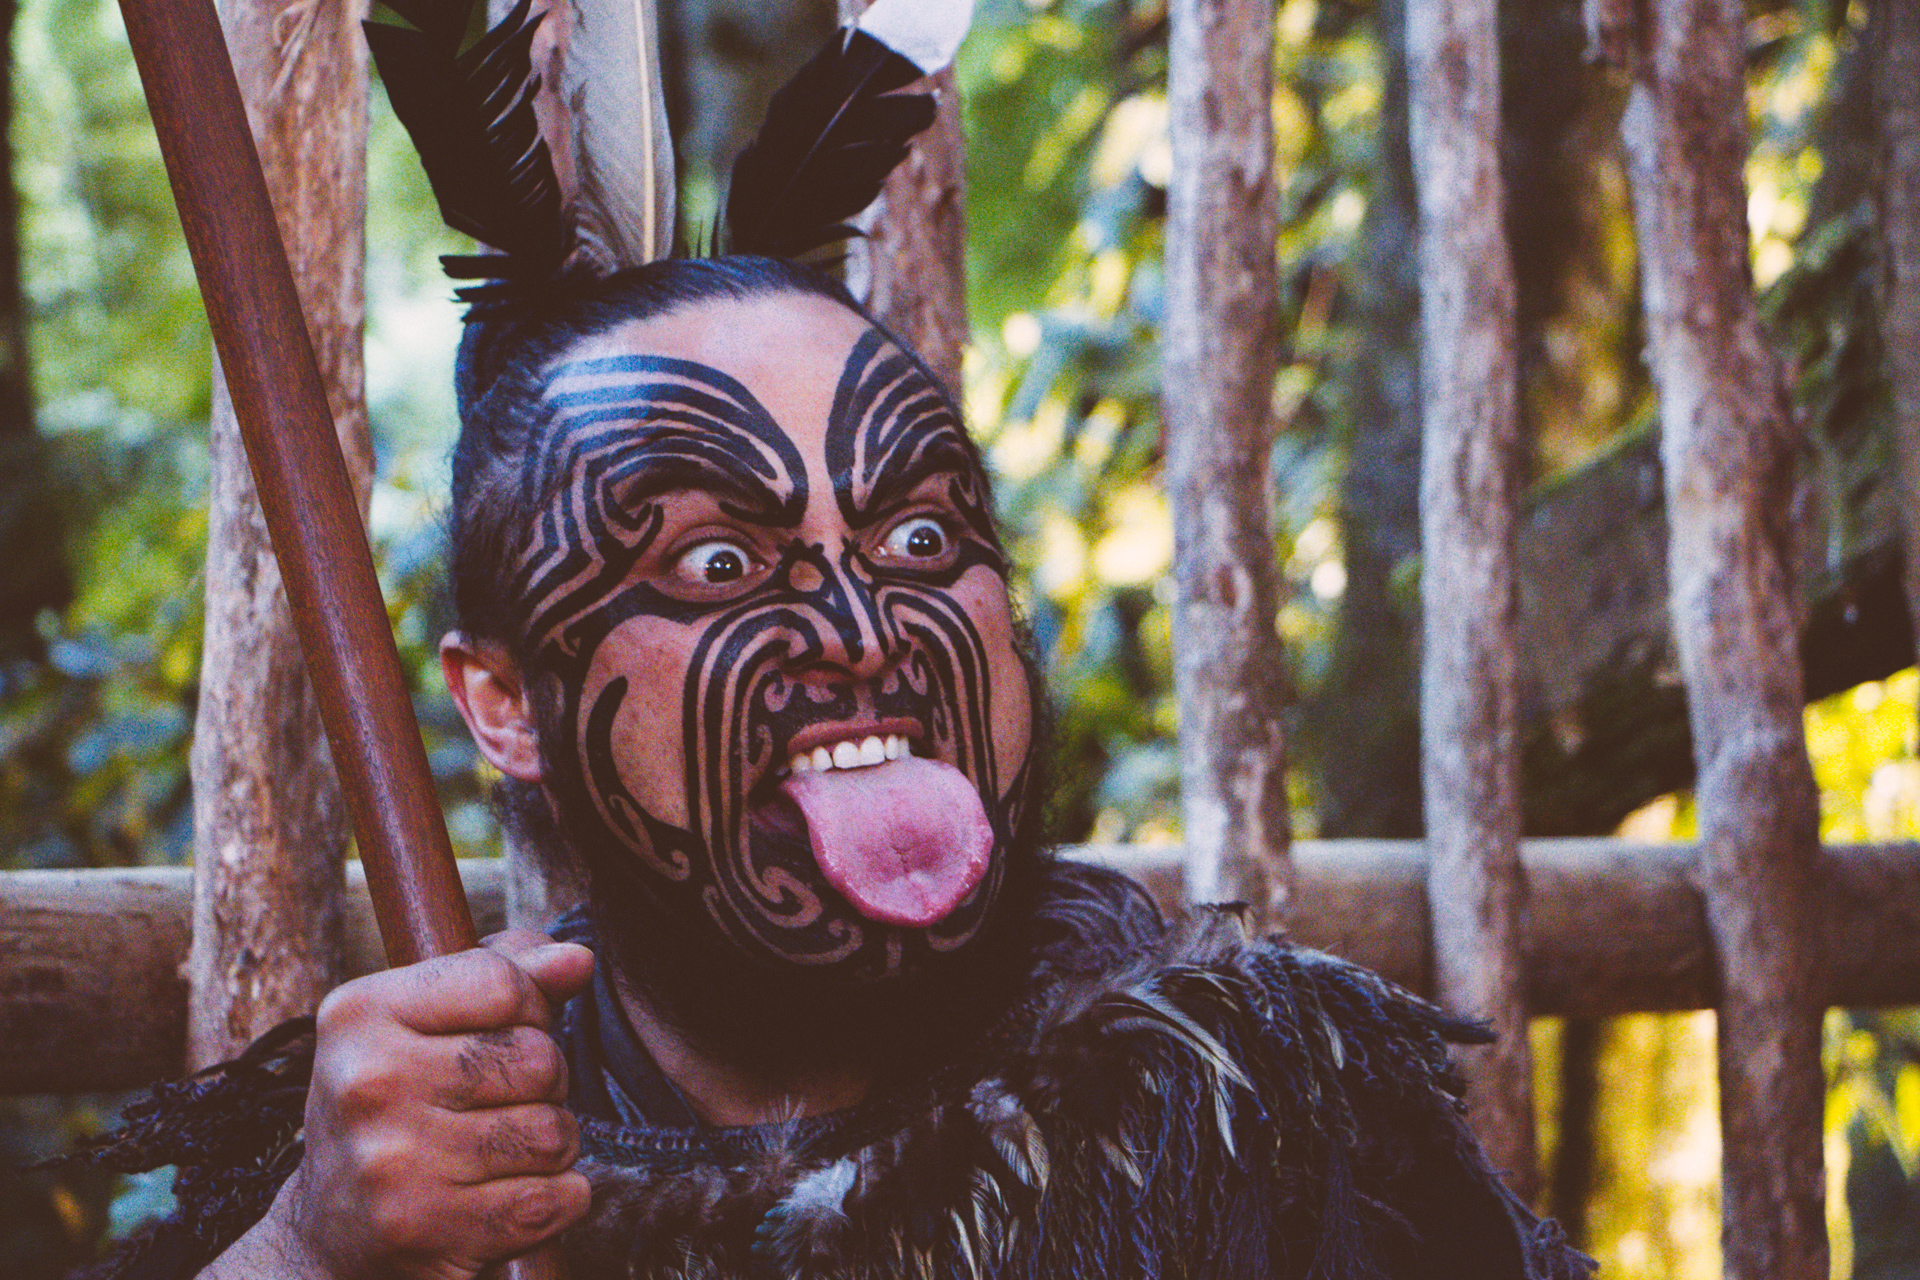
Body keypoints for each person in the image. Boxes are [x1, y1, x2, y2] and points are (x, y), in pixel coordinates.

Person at [61, 5, 1594, 1279]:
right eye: (720, 559)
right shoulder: (387, 1170)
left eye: (922, 541)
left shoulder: (1264, 1126)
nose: (865, 630)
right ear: (507, 705)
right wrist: (305, 1258)